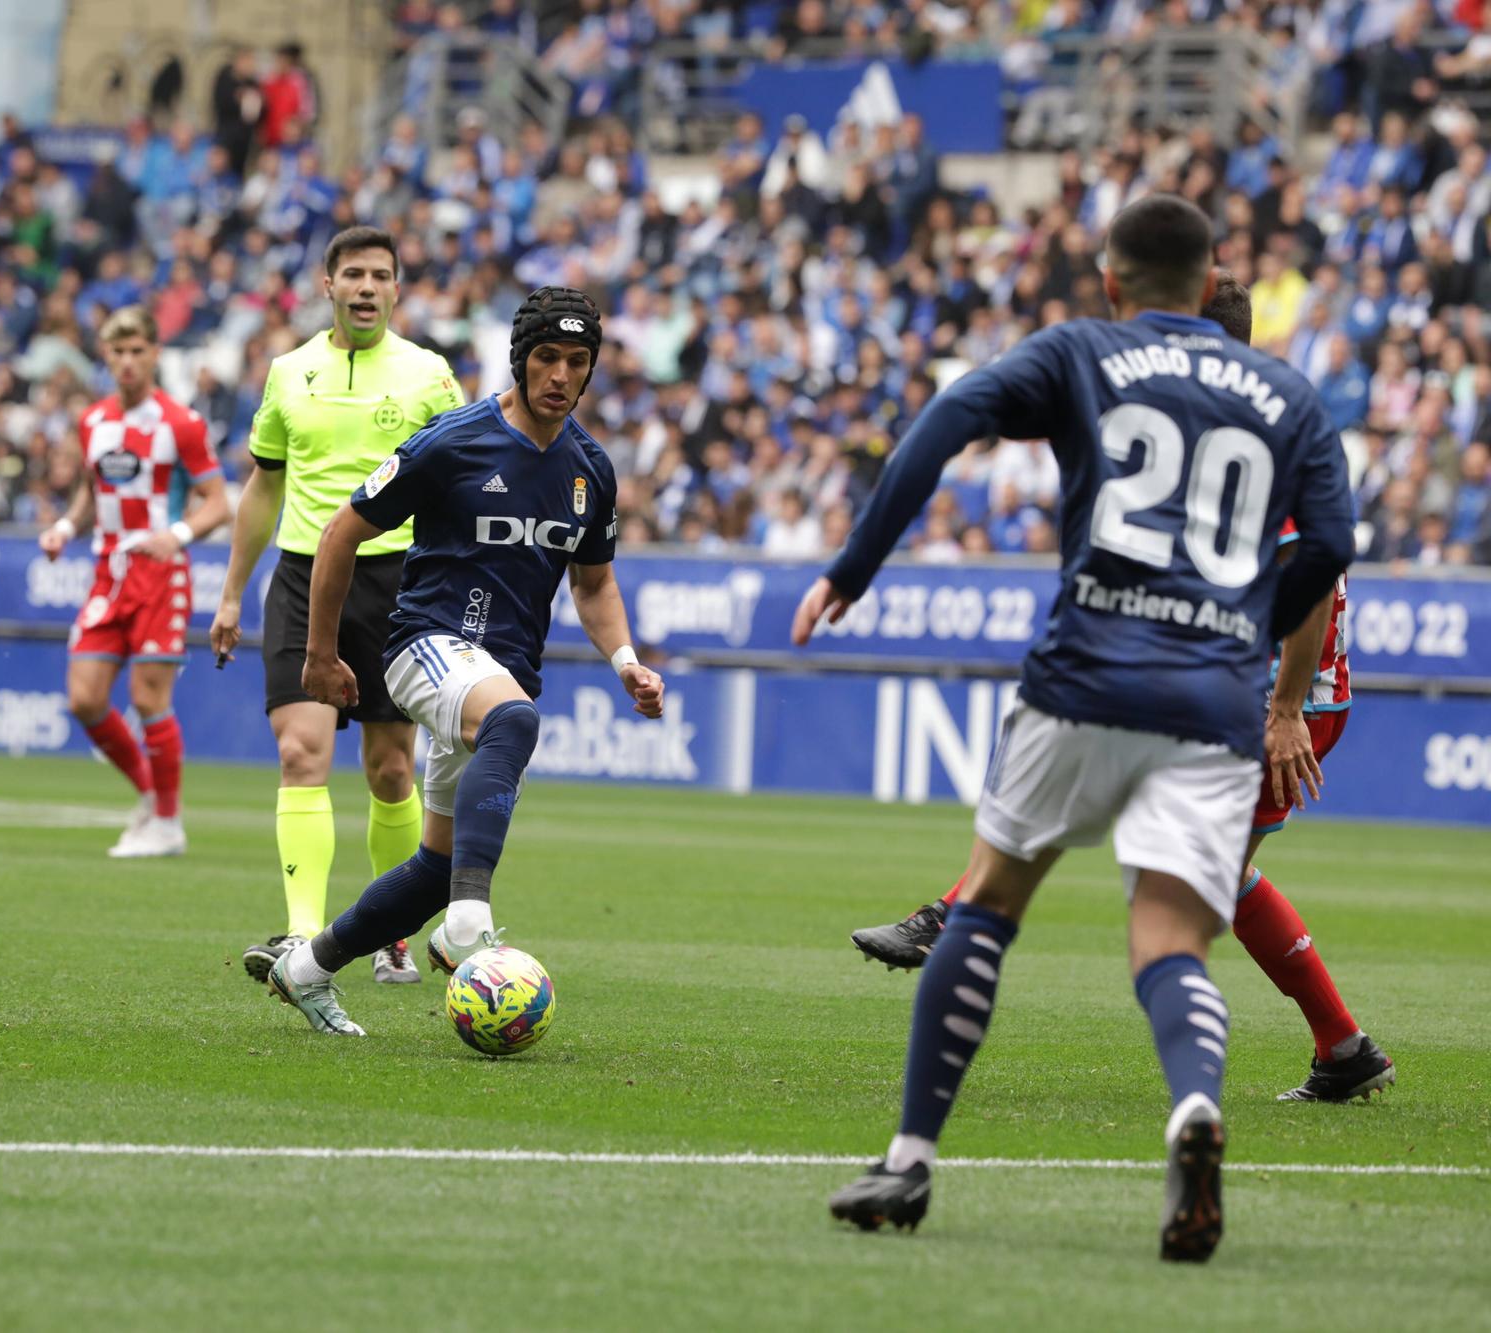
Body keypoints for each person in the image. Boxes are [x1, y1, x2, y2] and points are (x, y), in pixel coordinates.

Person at [794, 197, 1353, 1261]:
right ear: (1206, 284)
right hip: (1208, 701)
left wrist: (851, 568)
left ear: (1109, 279)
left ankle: (908, 1157)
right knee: (1168, 937)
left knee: (985, 904)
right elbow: (1328, 540)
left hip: (1079, 677)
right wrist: (1247, 627)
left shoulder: (1080, 349)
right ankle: (1191, 1109)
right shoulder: (1286, 394)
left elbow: (947, 418)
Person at [849, 273, 1394, 1105]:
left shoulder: (1256, 425)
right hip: (1248, 685)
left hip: (1278, 698)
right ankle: (1343, 1049)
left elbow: (1311, 579)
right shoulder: (1227, 422)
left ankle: (953, 916)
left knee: (1145, 822)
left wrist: (1285, 710)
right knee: (1216, 867)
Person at [266, 286, 664, 1036]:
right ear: (520, 358)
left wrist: (624, 659)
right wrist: (319, 655)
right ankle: (469, 927)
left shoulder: (591, 469)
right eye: (547, 356)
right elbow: (339, 535)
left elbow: (595, 581)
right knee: (514, 719)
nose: (560, 374)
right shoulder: (452, 441)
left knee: (432, 870)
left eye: (577, 362)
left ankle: (307, 968)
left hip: (496, 668)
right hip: (425, 645)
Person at [213, 226, 465, 986]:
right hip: (300, 576)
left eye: (379, 275)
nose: (364, 286)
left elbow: (460, 482)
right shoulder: (288, 373)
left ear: (397, 288)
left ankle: (388, 933)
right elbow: (263, 485)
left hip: (398, 585)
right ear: (327, 285)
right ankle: (301, 933)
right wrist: (230, 592)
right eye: (351, 273)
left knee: (391, 770)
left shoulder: (429, 376)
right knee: (301, 754)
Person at [38, 306, 230, 858]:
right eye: (117, 352)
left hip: (160, 573)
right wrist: (64, 527)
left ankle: (168, 822)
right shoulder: (93, 421)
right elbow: (90, 493)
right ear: (106, 355)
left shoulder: (180, 423)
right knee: (84, 698)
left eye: (137, 351)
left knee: (149, 699)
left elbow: (217, 502)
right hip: (109, 572)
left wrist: (176, 534)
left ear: (154, 353)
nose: (127, 361)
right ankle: (150, 793)